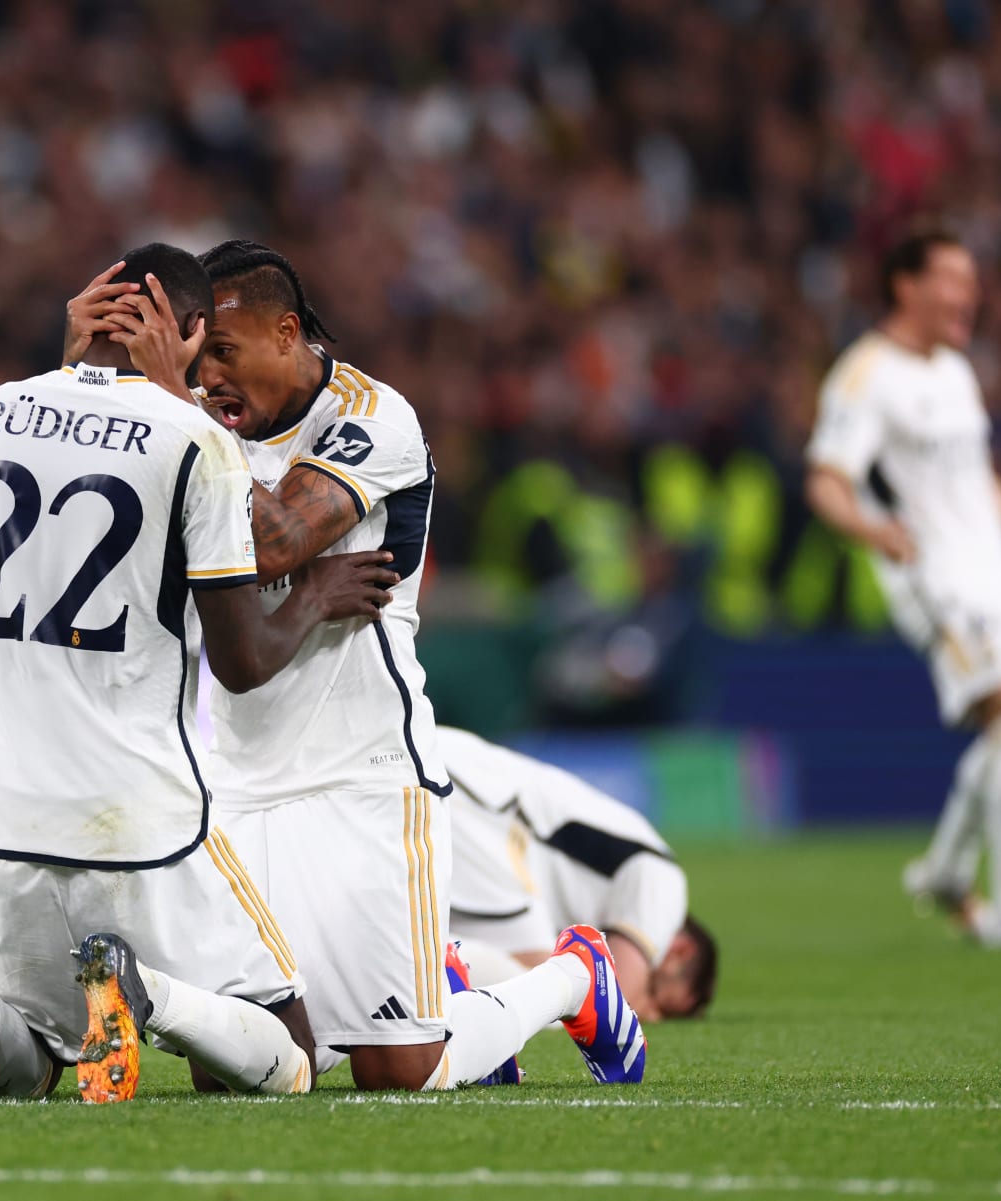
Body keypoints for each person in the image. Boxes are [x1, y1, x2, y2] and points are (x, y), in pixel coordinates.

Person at [67, 241, 648, 1089]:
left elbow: (269, 541)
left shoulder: (373, 418)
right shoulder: (190, 416)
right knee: (246, 1071)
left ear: (286, 332)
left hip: (363, 773)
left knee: (403, 1073)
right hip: (233, 778)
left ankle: (571, 980)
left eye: (222, 352)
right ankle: (414, 991)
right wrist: (74, 364)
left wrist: (164, 397)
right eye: (197, 359)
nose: (208, 378)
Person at [0, 244, 401, 1103]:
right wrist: (315, 596)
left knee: (29, 1064)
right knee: (289, 1060)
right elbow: (243, 664)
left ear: (87, 311)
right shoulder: (195, 440)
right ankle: (143, 991)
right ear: (183, 332)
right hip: (141, 817)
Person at [806, 229, 1001, 951]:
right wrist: (872, 529)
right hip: (935, 579)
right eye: (952, 276)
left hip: (995, 574)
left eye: (971, 277)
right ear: (904, 285)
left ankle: (947, 871)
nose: (969, 292)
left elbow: (976, 483)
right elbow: (826, 481)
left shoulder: (954, 370)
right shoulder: (864, 375)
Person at [433, 725, 717, 1021]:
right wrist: (638, 1005)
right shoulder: (665, 878)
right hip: (473, 806)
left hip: (434, 761)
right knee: (546, 1000)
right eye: (656, 997)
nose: (653, 1014)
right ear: (679, 953)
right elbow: (609, 1006)